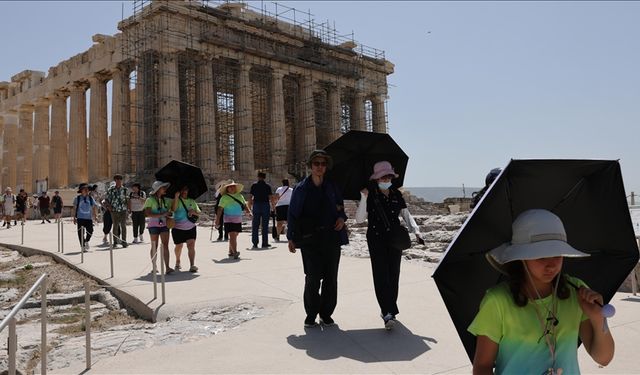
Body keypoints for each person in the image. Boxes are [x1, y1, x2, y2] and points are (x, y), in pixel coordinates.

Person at [468, 209, 615, 374]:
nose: (551, 265)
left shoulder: (577, 293)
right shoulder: (498, 301)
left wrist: (598, 319)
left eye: (557, 255)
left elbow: (603, 358)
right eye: (541, 256)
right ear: (521, 257)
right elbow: (482, 366)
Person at [355, 161, 422, 330]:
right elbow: (360, 219)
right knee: (380, 274)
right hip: (376, 238)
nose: (387, 178)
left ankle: (390, 308)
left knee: (394, 274)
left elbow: (405, 214)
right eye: (384, 176)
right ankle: (387, 312)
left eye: (389, 176)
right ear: (377, 179)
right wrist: (363, 198)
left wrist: (416, 231)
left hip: (394, 238)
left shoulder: (396, 195)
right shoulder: (370, 195)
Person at [287, 149, 348, 328]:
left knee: (331, 278)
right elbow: (293, 213)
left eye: (323, 164)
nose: (320, 167)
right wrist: (291, 237)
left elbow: (341, 208)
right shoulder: (301, 188)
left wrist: (342, 218)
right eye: (316, 164)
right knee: (312, 278)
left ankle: (326, 313)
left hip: (331, 237)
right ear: (310, 166)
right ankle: (311, 313)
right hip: (310, 239)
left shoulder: (332, 186)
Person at [215, 180, 251, 259]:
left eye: (233, 186)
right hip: (228, 218)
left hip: (238, 219)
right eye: (229, 187)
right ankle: (235, 252)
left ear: (235, 187)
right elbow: (220, 209)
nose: (231, 188)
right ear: (227, 189)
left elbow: (244, 205)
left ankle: (230, 251)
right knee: (232, 235)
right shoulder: (224, 198)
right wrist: (217, 220)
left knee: (235, 235)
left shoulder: (239, 196)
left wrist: (249, 211)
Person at [143, 181, 173, 274]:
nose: (165, 189)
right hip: (153, 225)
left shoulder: (167, 200)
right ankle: (154, 266)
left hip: (164, 225)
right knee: (154, 246)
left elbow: (170, 211)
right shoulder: (150, 200)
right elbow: (147, 213)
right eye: (163, 187)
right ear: (158, 190)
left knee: (165, 246)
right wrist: (162, 214)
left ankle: (167, 267)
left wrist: (168, 214)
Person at [169, 186, 201, 272]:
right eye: (182, 189)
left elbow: (198, 213)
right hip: (177, 227)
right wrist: (176, 197)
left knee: (191, 245)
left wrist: (193, 212)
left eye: (186, 189)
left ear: (188, 191)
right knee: (179, 246)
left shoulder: (192, 201)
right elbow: (174, 209)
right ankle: (178, 260)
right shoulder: (176, 200)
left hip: (190, 227)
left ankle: (192, 265)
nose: (184, 191)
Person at [248, 171, 273, 249]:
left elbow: (250, 197)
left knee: (255, 225)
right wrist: (273, 207)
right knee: (265, 225)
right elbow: (270, 198)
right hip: (265, 205)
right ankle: (264, 243)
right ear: (264, 177)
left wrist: (249, 205)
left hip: (257, 205)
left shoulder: (254, 185)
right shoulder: (268, 186)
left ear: (258, 177)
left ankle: (255, 243)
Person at [71, 183, 98, 251]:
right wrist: (74, 218)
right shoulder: (77, 198)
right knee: (80, 232)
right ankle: (82, 246)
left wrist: (95, 216)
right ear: (81, 190)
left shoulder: (91, 198)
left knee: (90, 231)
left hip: (89, 218)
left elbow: (94, 207)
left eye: (87, 189)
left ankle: (86, 241)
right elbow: (74, 208)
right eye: (84, 189)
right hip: (80, 218)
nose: (86, 190)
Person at [104, 174, 129, 247]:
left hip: (123, 210)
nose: (119, 181)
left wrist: (129, 209)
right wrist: (109, 207)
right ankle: (115, 242)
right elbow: (106, 200)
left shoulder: (125, 190)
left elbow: (127, 199)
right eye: (117, 180)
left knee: (123, 226)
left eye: (120, 179)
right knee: (115, 226)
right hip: (114, 210)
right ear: (115, 181)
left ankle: (124, 241)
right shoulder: (110, 190)